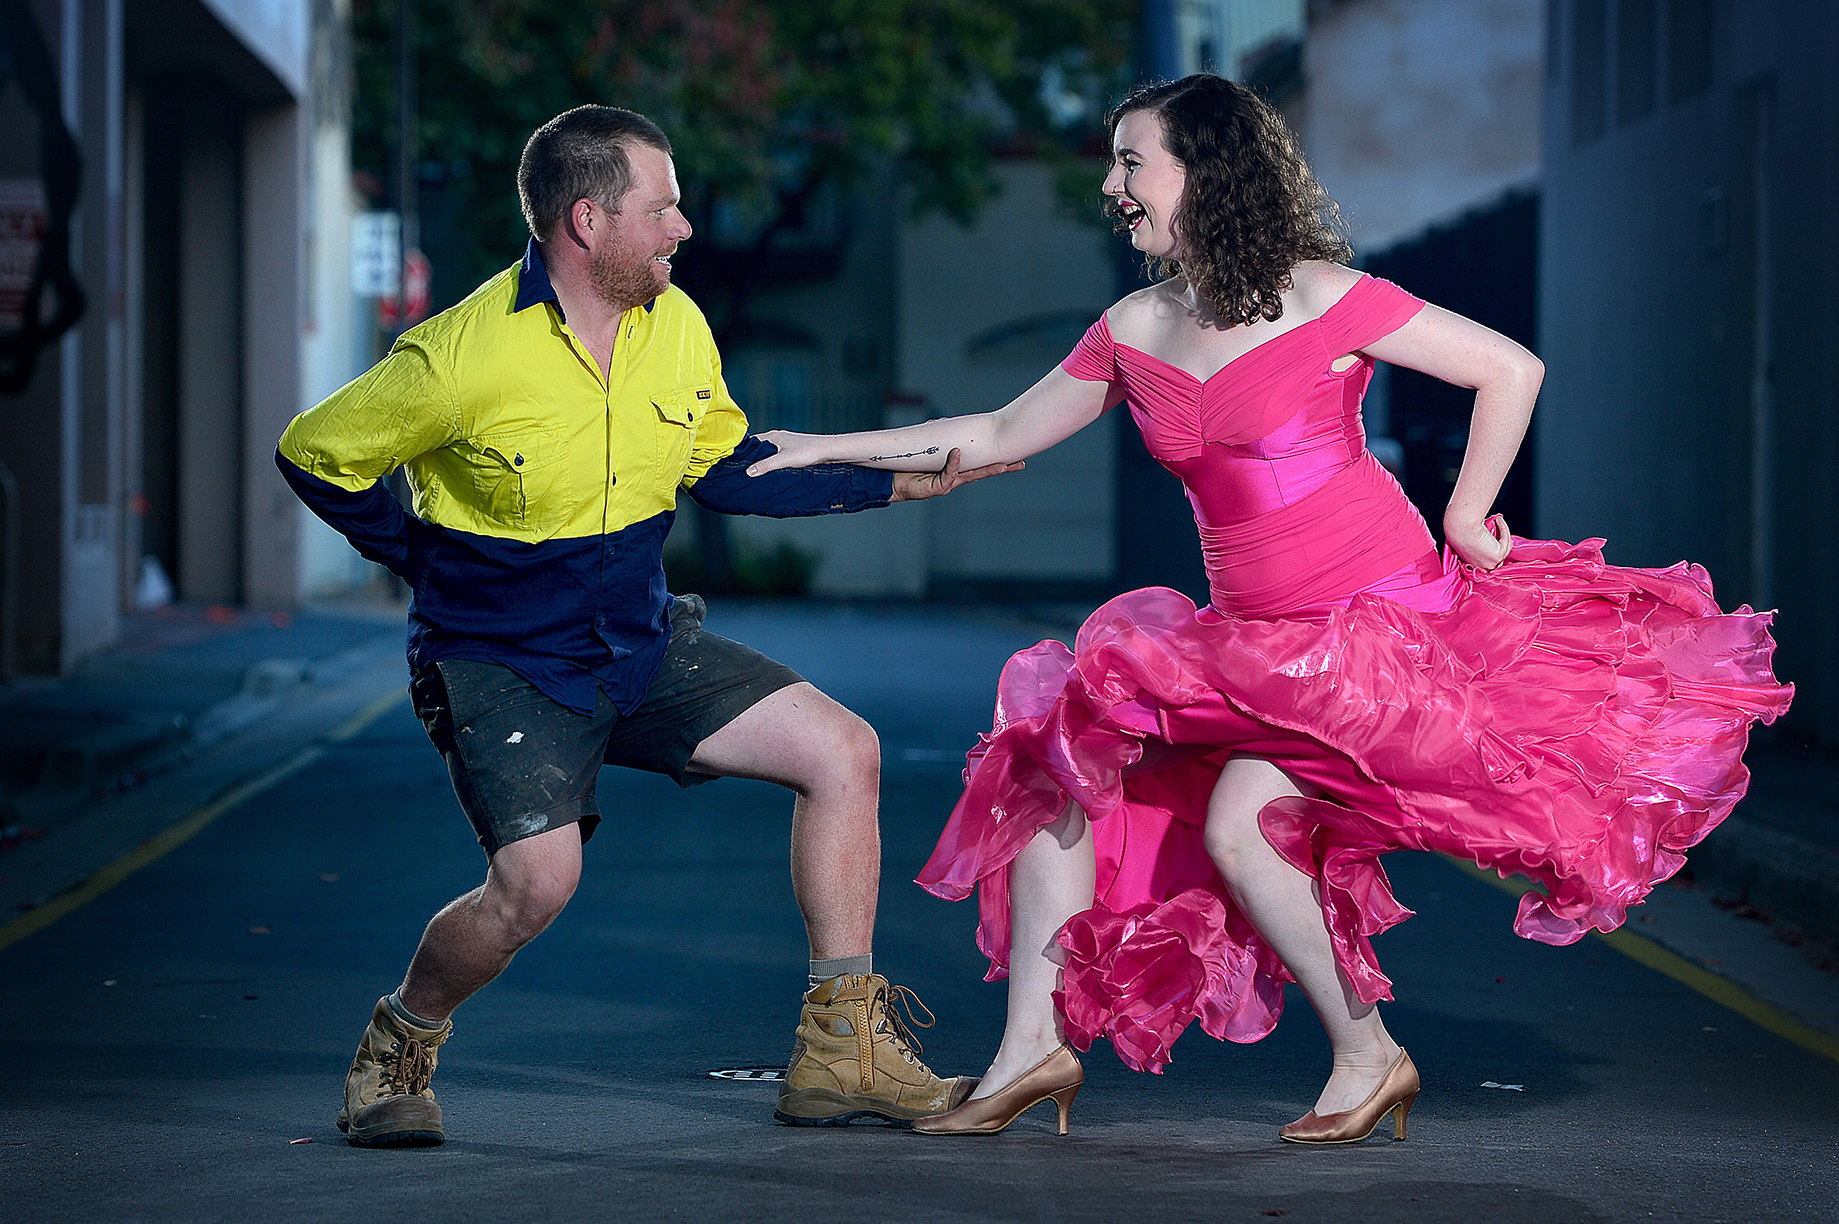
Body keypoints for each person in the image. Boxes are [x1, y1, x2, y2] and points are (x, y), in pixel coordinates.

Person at [744, 74, 1793, 1141]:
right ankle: (1037, 1050)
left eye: (1131, 160)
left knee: (1244, 827)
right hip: (1252, 642)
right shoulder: (1135, 325)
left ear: (1206, 173)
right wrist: (824, 447)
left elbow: (1509, 370)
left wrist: (1471, 516)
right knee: (1060, 755)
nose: (1112, 185)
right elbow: (1001, 434)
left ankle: (1366, 1055)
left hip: (1378, 636)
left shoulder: (1326, 297)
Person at [276, 105, 1017, 1146]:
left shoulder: (676, 325)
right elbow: (315, 450)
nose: (684, 228)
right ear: (587, 220)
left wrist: (902, 482)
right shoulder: (457, 358)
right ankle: (401, 1038)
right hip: (501, 661)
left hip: (641, 640)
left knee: (844, 750)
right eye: (662, 207)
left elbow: (727, 467)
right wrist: (418, 556)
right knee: (535, 886)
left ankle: (839, 1047)